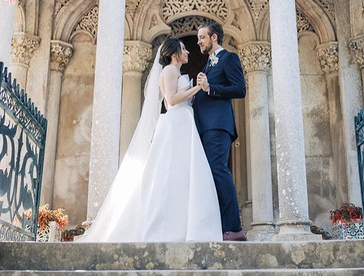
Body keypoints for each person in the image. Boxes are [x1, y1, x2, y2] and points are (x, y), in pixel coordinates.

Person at [77, 38, 222, 242]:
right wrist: (198, 88)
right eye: (183, 48)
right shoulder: (170, 71)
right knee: (174, 172)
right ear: (174, 54)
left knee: (180, 173)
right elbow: (171, 100)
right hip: (176, 123)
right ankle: (170, 227)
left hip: (182, 122)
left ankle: (180, 225)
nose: (188, 51)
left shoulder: (174, 72)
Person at [194, 21, 247, 241]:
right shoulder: (209, 62)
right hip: (206, 127)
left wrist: (210, 88)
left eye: (202, 37)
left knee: (218, 170)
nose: (199, 42)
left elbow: (240, 89)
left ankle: (234, 228)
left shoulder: (229, 58)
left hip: (218, 125)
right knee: (211, 174)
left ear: (214, 37)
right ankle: (220, 226)